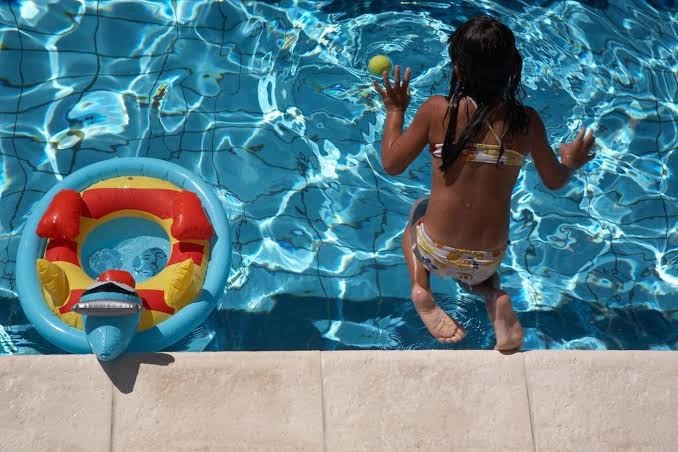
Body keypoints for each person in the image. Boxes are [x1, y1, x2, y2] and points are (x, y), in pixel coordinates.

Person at [373, 16, 596, 351]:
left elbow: (391, 164)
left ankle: (421, 288)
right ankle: (492, 295)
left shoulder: (437, 110)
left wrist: (395, 110)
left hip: (436, 251)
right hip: (488, 258)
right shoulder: (527, 122)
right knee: (477, 269)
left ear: (457, 70)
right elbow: (554, 181)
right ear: (513, 69)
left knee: (418, 209)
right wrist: (571, 161)